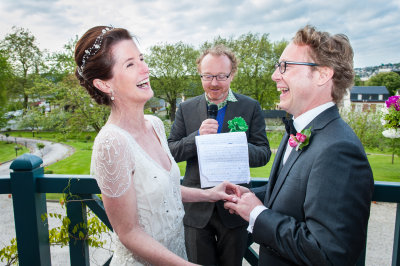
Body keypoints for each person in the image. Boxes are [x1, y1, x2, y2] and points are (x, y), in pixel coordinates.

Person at [74, 26, 242, 266]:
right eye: (130, 64)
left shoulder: (155, 125)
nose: (145, 68)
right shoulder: (111, 143)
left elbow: (162, 192)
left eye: (141, 59)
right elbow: (128, 232)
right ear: (104, 84)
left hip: (176, 253)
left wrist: (209, 194)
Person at [225, 25, 375, 266]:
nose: (275, 75)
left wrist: (257, 213)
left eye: (285, 66)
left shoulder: (339, 150)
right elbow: (295, 196)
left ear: (322, 75)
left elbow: (328, 252)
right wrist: (251, 197)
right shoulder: (298, 128)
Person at [168, 44, 271, 266]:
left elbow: (263, 154)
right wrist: (197, 137)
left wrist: (233, 144)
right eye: (208, 76)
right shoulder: (185, 109)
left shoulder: (250, 107)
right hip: (196, 210)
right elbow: (171, 152)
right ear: (200, 74)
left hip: (234, 206)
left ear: (232, 74)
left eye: (221, 76)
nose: (214, 83)